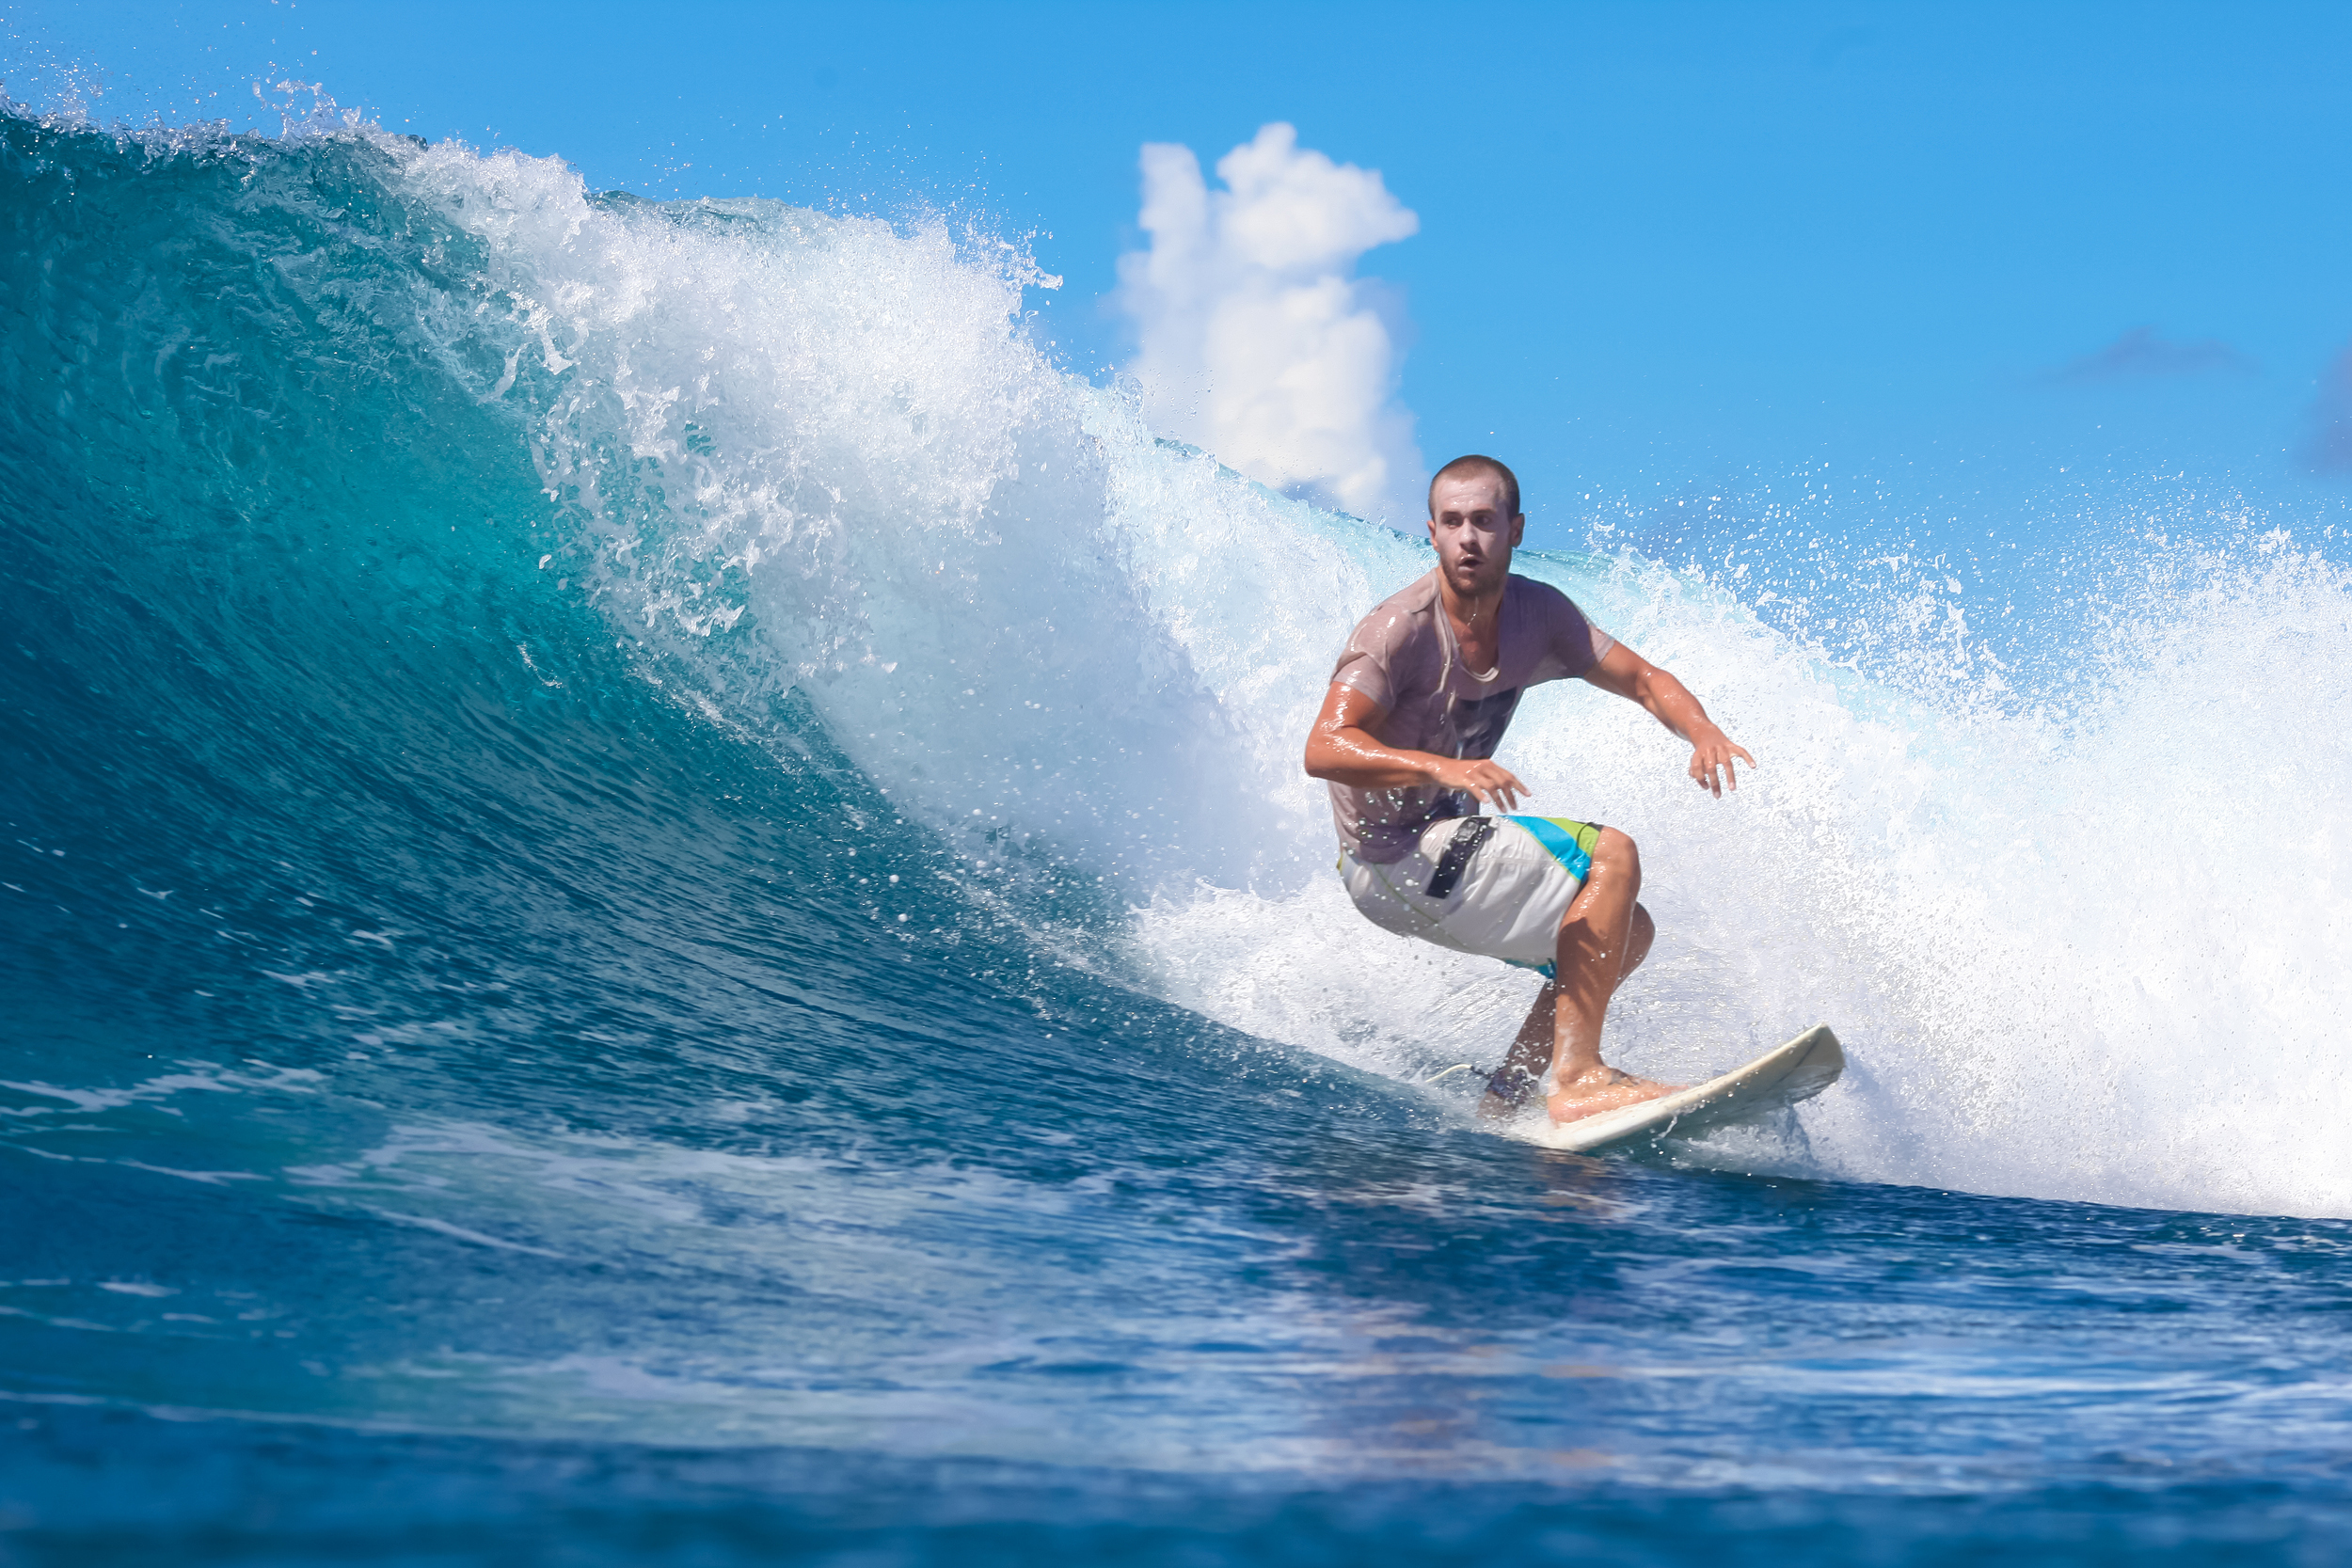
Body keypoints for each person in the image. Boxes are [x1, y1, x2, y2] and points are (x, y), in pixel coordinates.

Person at [1302, 454, 1756, 1125]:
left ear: (1515, 529)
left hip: (1433, 862)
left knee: (1620, 931)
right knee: (1613, 856)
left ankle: (1507, 1094)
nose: (1468, 538)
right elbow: (1322, 747)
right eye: (1452, 522)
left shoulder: (1539, 618)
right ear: (1430, 532)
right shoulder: (1397, 630)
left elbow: (1643, 678)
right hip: (1390, 856)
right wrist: (1440, 768)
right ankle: (1579, 1077)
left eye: (1484, 521)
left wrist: (1703, 730)